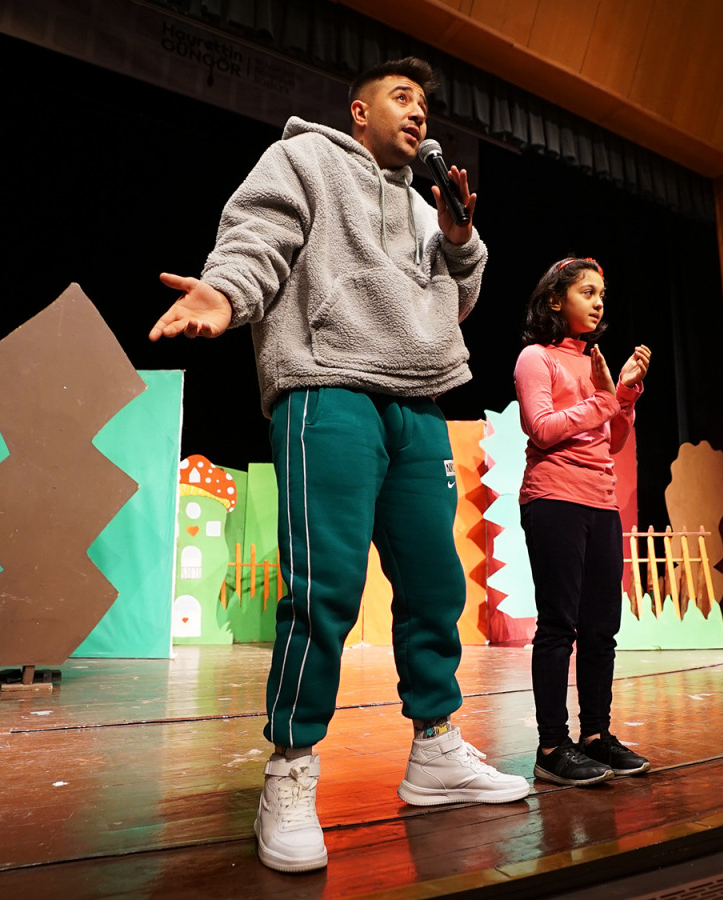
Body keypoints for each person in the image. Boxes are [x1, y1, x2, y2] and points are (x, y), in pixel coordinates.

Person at [149, 56, 528, 874]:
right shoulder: (305, 159)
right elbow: (257, 238)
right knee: (323, 588)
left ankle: (435, 748)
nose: (418, 114)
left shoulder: (427, 206)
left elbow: (458, 302)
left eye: (425, 105)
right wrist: (225, 293)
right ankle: (290, 769)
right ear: (358, 111)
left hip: (418, 399)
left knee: (435, 588)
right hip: (327, 385)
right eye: (402, 98)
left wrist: (459, 239)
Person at [513, 257, 654, 786]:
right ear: (556, 300)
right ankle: (552, 746)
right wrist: (605, 398)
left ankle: (596, 735)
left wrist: (625, 394)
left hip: (601, 502)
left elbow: (612, 441)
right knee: (558, 625)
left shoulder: (593, 360)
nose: (598, 303)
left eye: (602, 295)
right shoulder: (536, 358)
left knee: (601, 628)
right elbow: (543, 428)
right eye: (587, 292)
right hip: (554, 498)